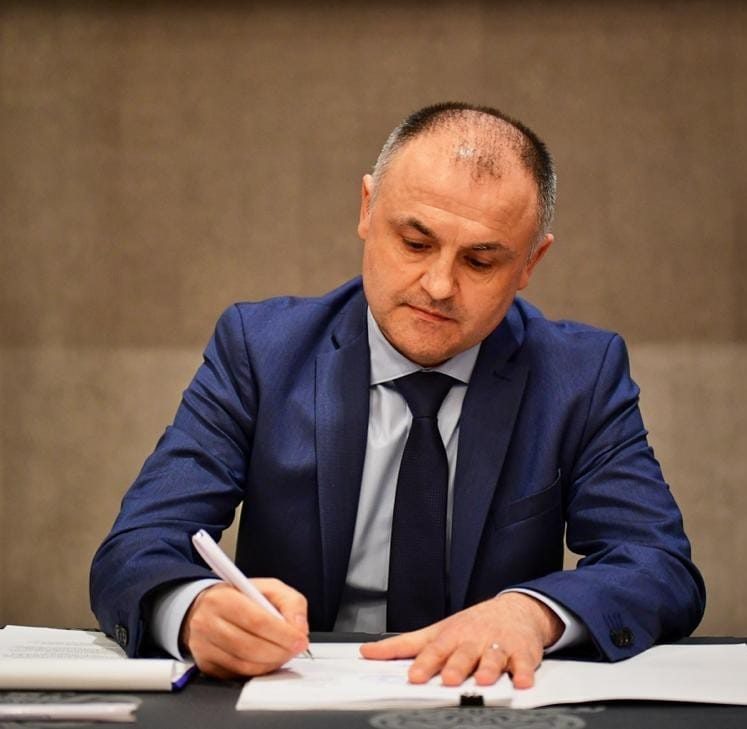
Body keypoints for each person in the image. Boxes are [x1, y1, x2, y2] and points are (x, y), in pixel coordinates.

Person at [90, 102, 705, 689]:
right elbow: (138, 545)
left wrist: (533, 613)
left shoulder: (579, 376)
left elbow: (658, 565)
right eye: (415, 243)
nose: (438, 285)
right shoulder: (261, 352)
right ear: (367, 209)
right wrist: (194, 610)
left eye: (481, 262)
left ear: (529, 263)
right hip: (295, 693)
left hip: (486, 701)